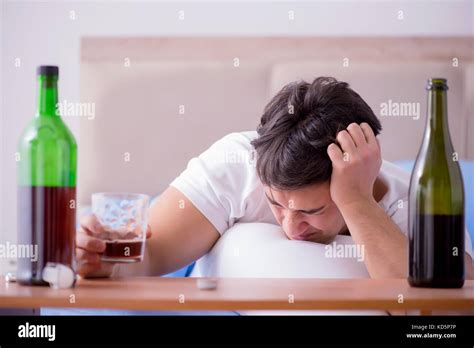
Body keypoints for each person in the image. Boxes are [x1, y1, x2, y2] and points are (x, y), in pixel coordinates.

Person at [76, 77, 473, 279]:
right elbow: (152, 254)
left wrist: (356, 201)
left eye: (312, 210)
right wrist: (101, 262)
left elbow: (449, 299)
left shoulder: (412, 198)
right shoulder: (236, 165)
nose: (290, 225)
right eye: (277, 204)